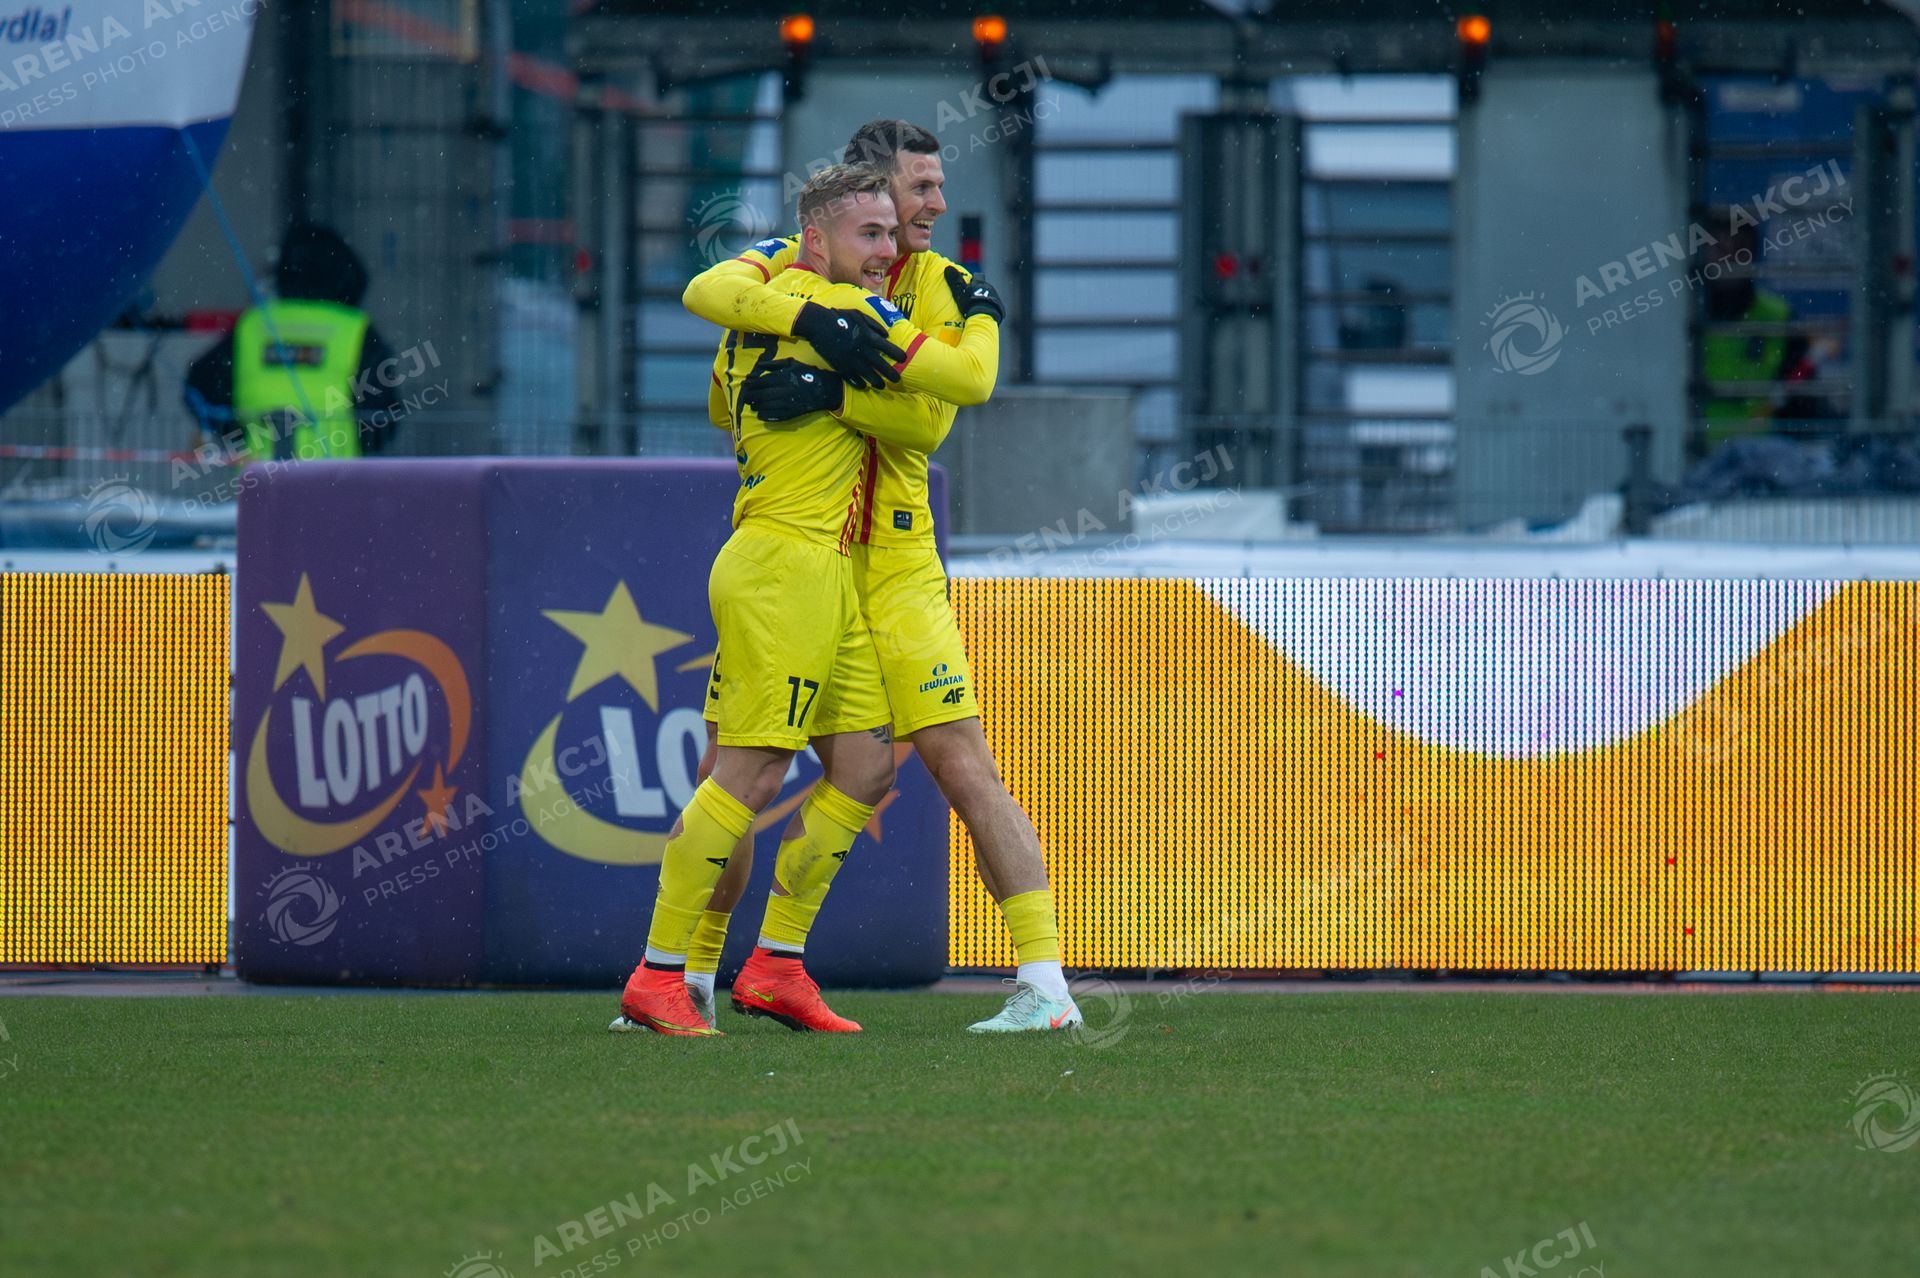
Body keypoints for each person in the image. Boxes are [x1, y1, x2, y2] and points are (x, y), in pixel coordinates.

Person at [678, 118, 1084, 1035]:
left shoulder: (941, 285)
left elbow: (936, 419)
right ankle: (692, 975)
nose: (934, 205)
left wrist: (831, 391)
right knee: (735, 770)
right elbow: (710, 314)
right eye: (919, 189)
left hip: (895, 566)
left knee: (957, 763)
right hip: (803, 556)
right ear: (868, 194)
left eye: (936, 188)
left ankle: (1043, 982)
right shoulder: (794, 263)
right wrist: (808, 322)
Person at [613, 162, 1001, 1038]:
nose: (889, 251)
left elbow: (722, 405)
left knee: (866, 768)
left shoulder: (751, 310)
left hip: (814, 568)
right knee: (748, 774)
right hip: (786, 566)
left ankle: (776, 965)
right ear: (815, 240)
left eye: (892, 233)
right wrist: (979, 313)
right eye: (871, 234)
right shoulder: (856, 312)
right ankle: (659, 973)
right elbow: (950, 399)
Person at [183, 222, 404, 462]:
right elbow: (383, 415)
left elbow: (201, 387)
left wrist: (237, 433)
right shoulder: (355, 329)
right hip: (334, 475)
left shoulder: (253, 325)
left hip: (260, 477)